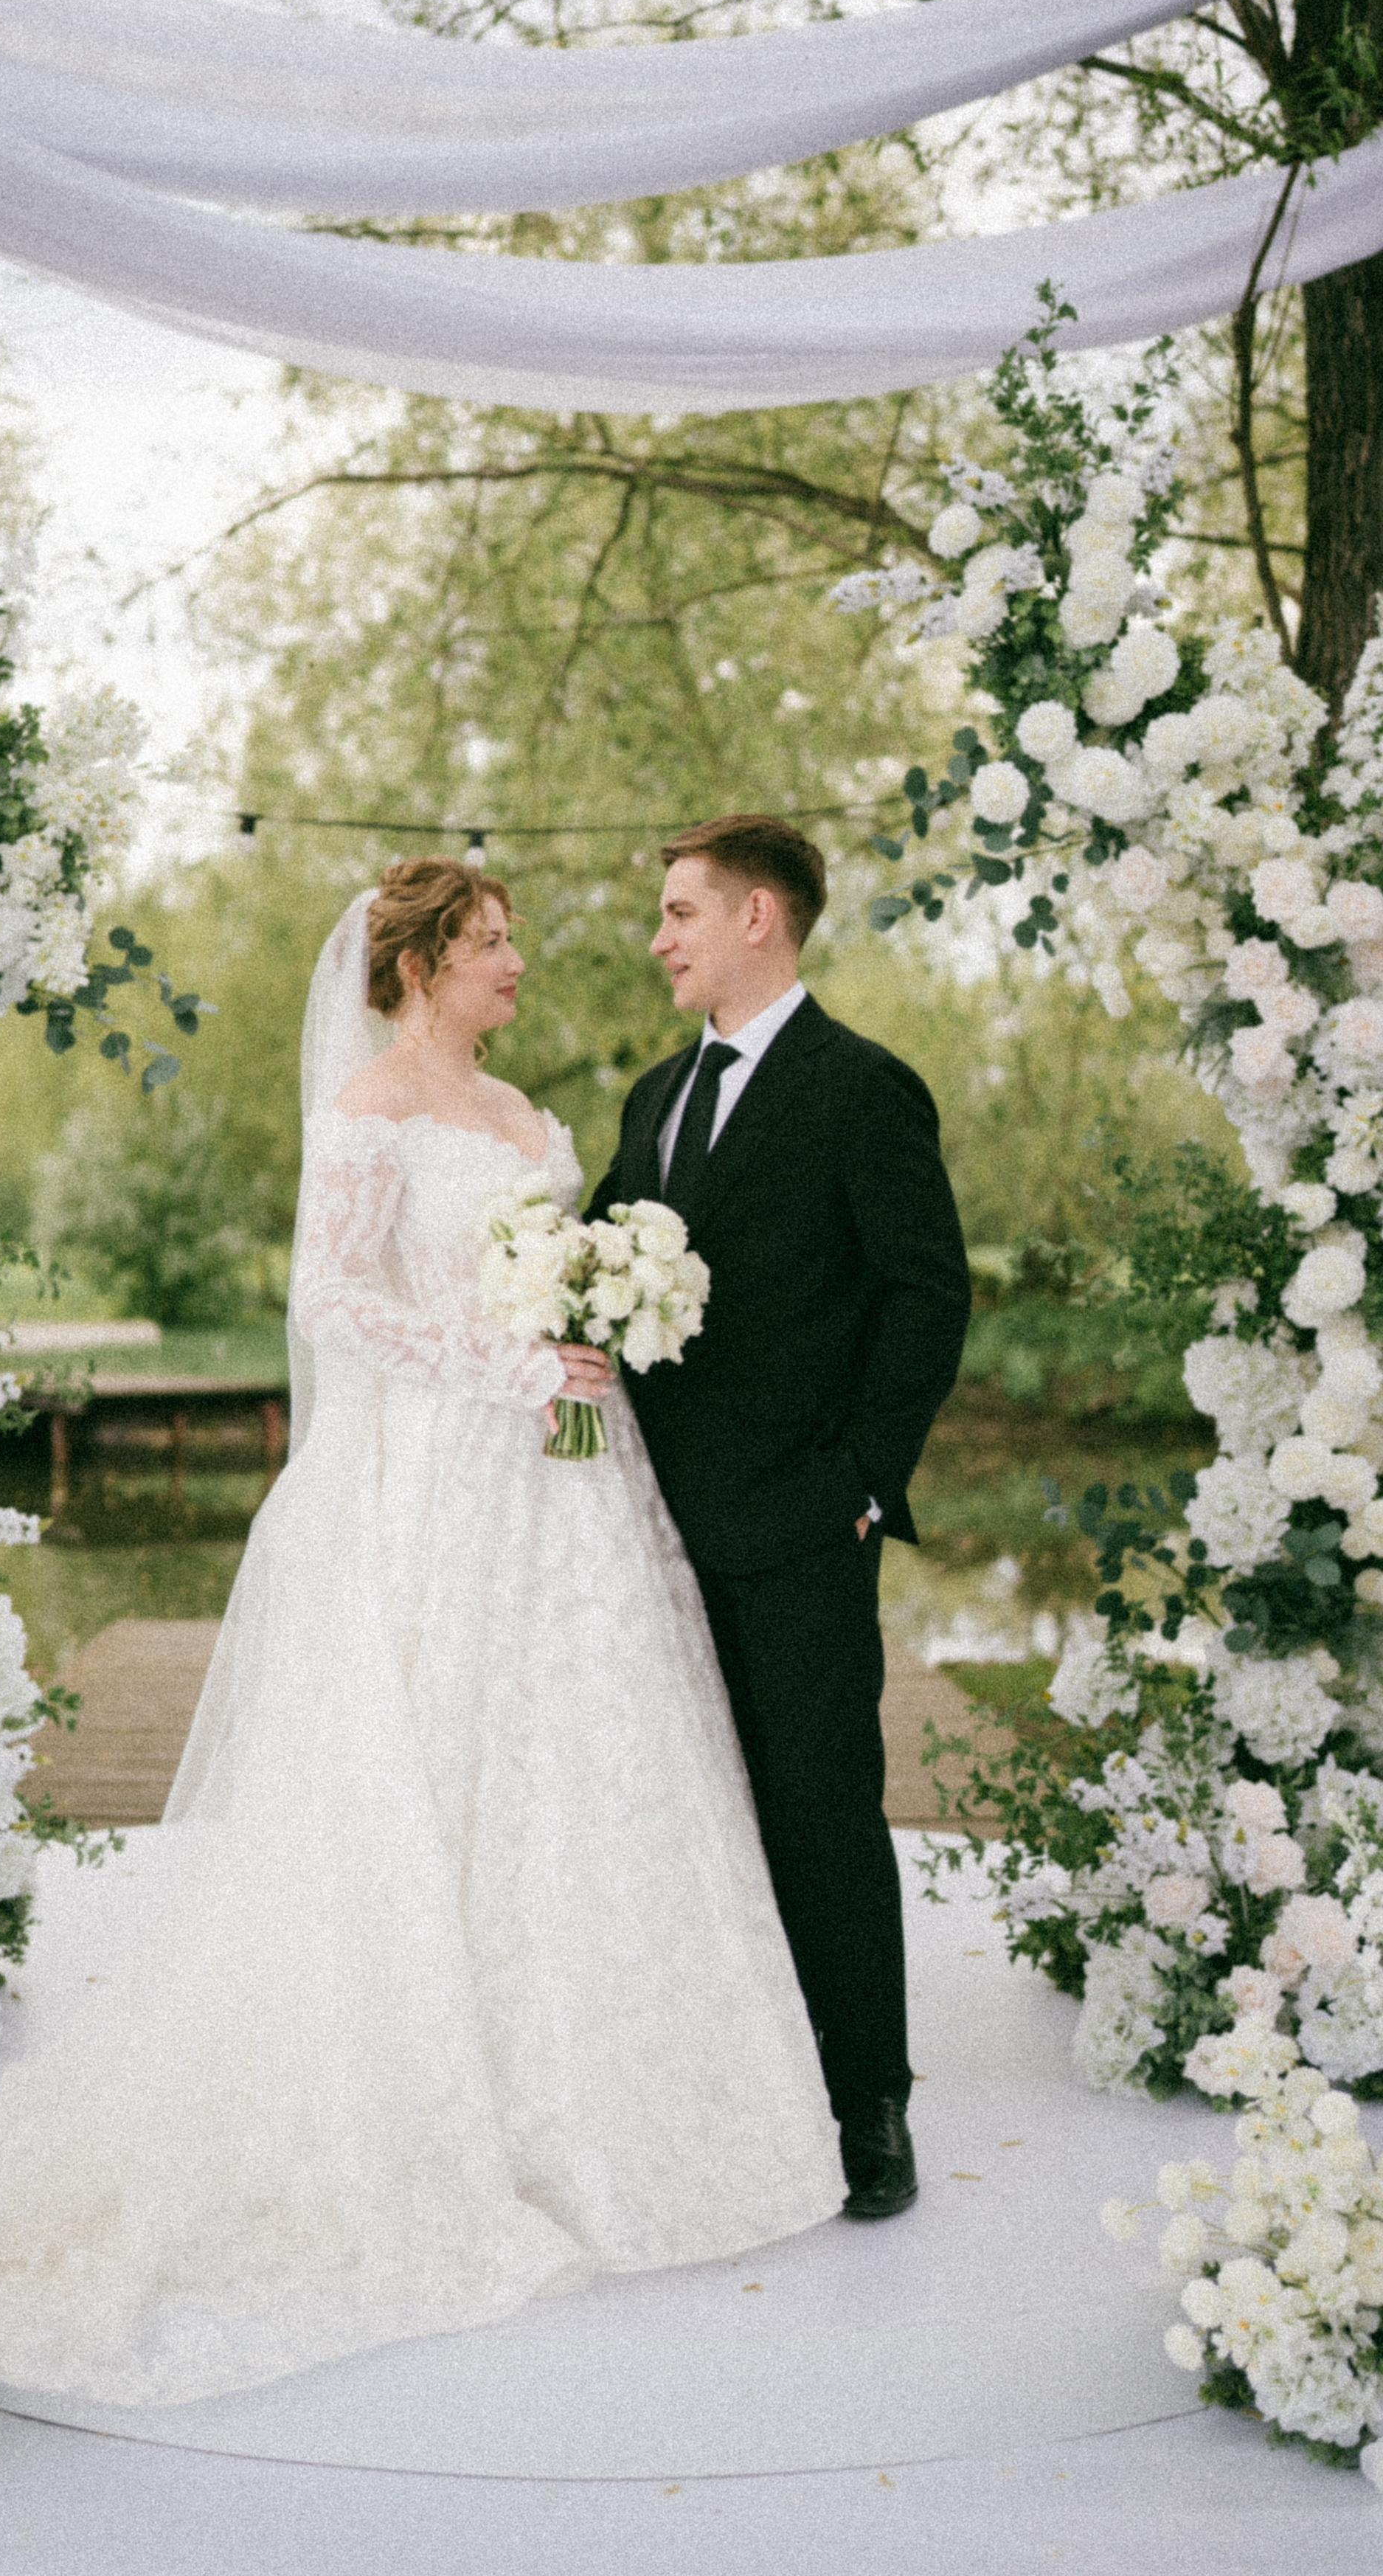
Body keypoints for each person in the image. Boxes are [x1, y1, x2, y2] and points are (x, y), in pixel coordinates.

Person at [0, 858, 843, 2415]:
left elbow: (559, 1278)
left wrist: (596, 1327)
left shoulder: (536, 1118)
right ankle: (431, 2116)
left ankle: (608, 2106)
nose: (516, 967)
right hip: (432, 1481)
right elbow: (333, 1302)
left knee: (576, 1774)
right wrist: (507, 1363)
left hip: (568, 1502)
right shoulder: (365, 1116)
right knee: (426, 1771)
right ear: (418, 966)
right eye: (492, 946)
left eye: (510, 945)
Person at [589, 815, 972, 2223]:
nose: (661, 937)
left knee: (821, 1811)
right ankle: (728, 2086)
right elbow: (596, 1268)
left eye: (681, 911)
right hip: (644, 1530)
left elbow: (928, 1295)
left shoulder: (865, 1090)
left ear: (761, 917)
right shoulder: (649, 1098)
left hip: (804, 1521)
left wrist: (862, 1484)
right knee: (692, 1812)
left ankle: (870, 2106)